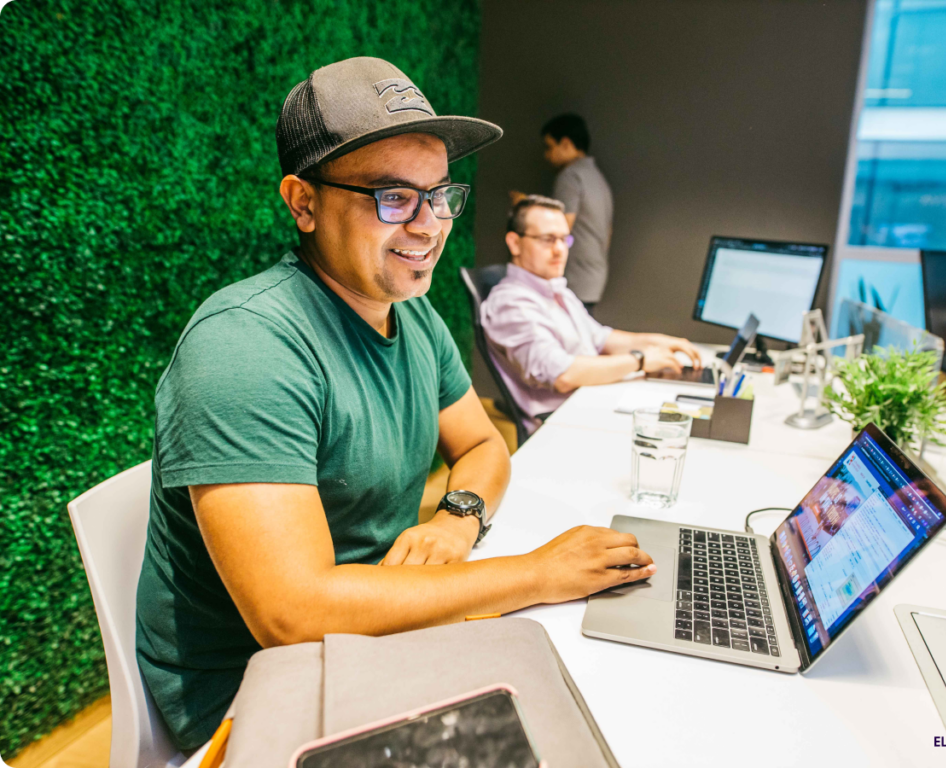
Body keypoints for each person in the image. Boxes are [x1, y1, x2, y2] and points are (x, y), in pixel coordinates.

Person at [135, 58, 655, 752]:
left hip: (375, 639)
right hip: (260, 693)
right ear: (303, 201)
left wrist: (456, 521)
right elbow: (292, 614)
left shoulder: (410, 316)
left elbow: (482, 447)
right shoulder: (245, 346)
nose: (429, 226)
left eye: (440, 195)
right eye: (393, 198)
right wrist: (536, 573)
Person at [481, 195, 702, 433]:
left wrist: (659, 341)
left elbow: (602, 339)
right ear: (515, 243)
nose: (559, 250)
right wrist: (640, 360)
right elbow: (562, 375)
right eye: (547, 240)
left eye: (564, 239)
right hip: (566, 423)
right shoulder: (511, 303)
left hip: (591, 401)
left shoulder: (556, 290)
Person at [543, 113, 613, 313]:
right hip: (594, 276)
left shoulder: (570, 176)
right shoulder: (597, 177)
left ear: (565, 143)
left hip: (574, 279)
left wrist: (526, 210)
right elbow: (608, 233)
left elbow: (560, 229)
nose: (546, 155)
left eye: (549, 147)